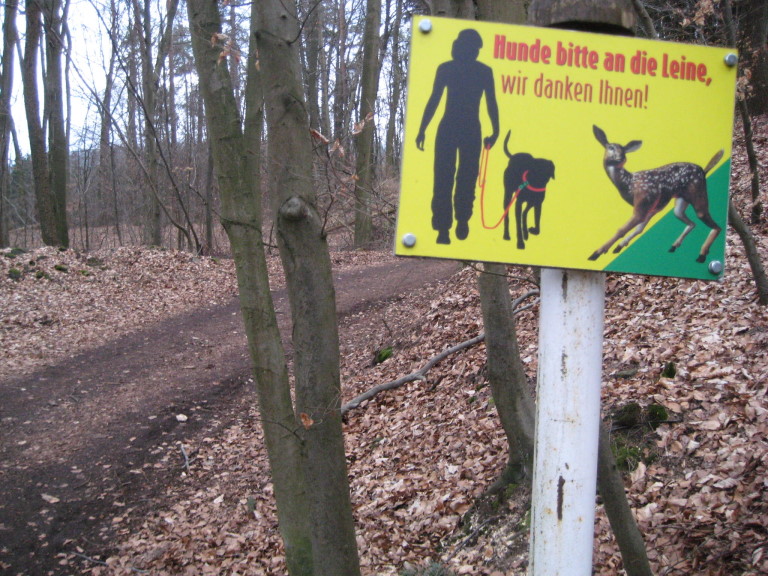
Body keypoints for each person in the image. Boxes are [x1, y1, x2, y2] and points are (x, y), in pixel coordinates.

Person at [416, 28, 499, 245]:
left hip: (468, 129)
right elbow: (434, 99)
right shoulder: (447, 68)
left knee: (466, 177)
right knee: (444, 178)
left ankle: (462, 219)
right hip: (450, 128)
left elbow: (491, 102)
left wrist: (496, 130)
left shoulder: (483, 71)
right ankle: (443, 227)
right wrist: (422, 128)